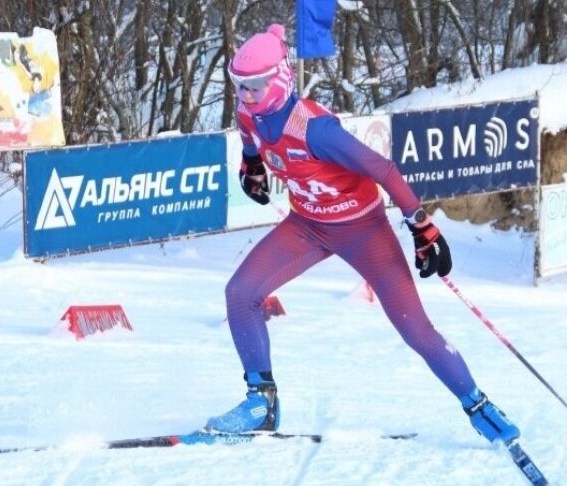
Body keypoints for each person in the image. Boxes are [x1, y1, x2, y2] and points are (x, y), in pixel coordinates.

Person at [205, 23, 520, 445]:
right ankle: (260, 403)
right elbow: (249, 133)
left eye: (254, 87)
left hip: (363, 232)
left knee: (415, 329)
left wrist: (421, 226)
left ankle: (478, 406)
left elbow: (384, 170)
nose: (245, 97)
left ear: (279, 79)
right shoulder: (250, 114)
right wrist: (251, 164)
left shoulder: (316, 130)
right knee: (240, 293)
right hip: (309, 226)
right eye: (238, 86)